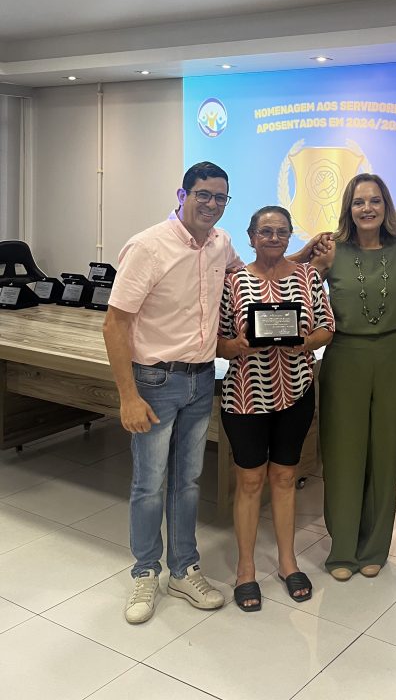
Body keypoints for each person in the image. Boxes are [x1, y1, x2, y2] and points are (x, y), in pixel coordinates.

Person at [103, 160, 242, 624]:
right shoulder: (148, 246)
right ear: (182, 196)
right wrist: (128, 396)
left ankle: (183, 569)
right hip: (155, 383)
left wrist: (300, 259)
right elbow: (115, 324)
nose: (212, 204)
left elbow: (248, 278)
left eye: (220, 197)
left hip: (202, 379)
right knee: (149, 484)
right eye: (203, 194)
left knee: (188, 482)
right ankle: (146, 571)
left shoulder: (221, 243)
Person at [217, 205, 334, 612]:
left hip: (295, 394)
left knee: (284, 478)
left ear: (289, 237)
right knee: (250, 482)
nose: (273, 238)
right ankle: (245, 569)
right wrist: (235, 346)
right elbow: (216, 340)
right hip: (245, 396)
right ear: (251, 237)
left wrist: (307, 342)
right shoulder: (233, 281)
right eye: (265, 231)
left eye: (281, 231)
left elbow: (327, 327)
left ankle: (287, 563)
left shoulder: (307, 277)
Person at [313, 174, 396, 581]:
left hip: (393, 356)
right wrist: (307, 252)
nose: (367, 208)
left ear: (385, 206)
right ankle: (342, 548)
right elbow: (292, 285)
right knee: (342, 453)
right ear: (348, 209)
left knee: (386, 454)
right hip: (344, 356)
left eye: (375, 200)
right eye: (359, 202)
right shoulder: (331, 251)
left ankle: (374, 547)